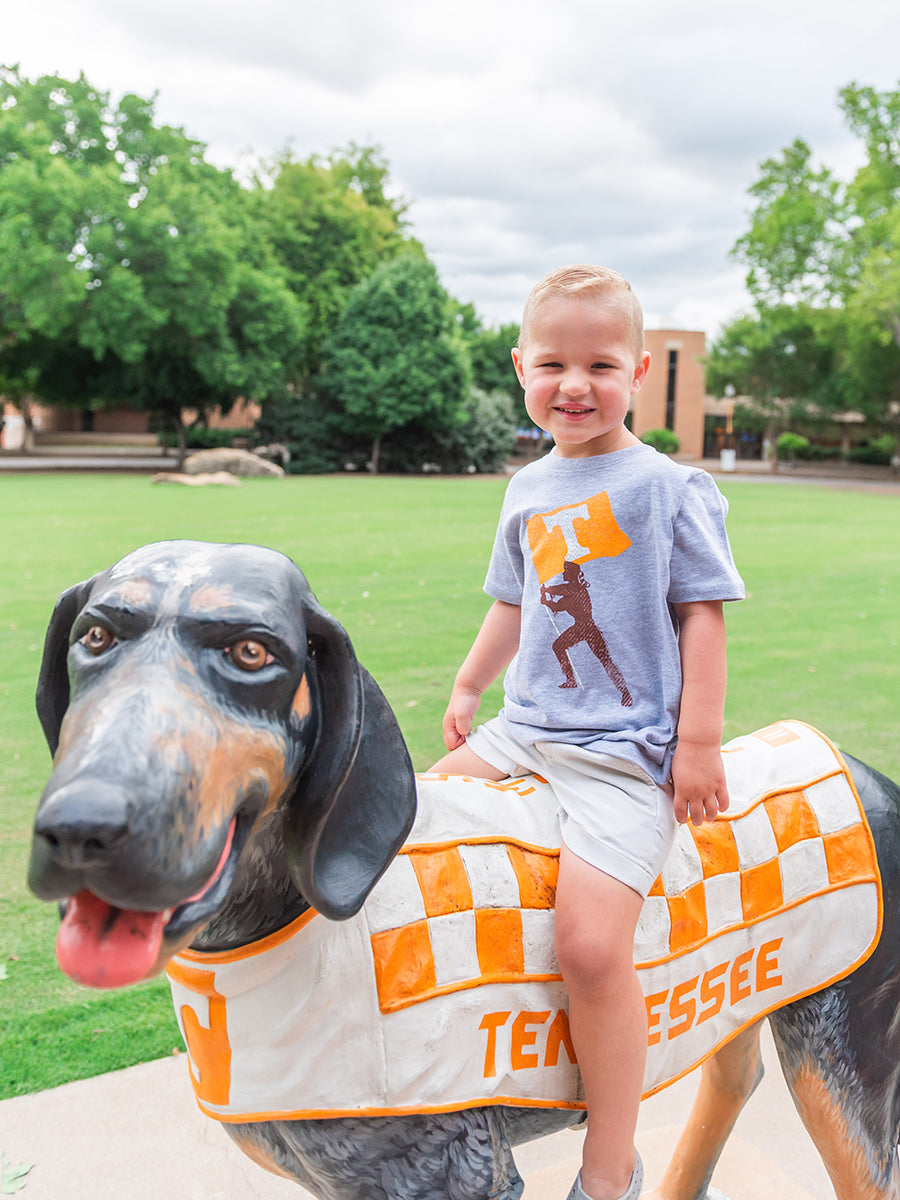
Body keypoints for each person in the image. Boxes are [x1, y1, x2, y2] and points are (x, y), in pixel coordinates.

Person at [430, 265, 745, 1200]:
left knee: (592, 948)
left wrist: (696, 745)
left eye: (600, 364)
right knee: (407, 825)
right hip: (528, 731)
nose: (575, 384)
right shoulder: (528, 488)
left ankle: (611, 1159)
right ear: (520, 366)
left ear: (640, 371)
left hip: (625, 754)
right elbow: (512, 601)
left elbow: (704, 618)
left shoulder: (668, 488)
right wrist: (468, 681)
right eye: (554, 364)